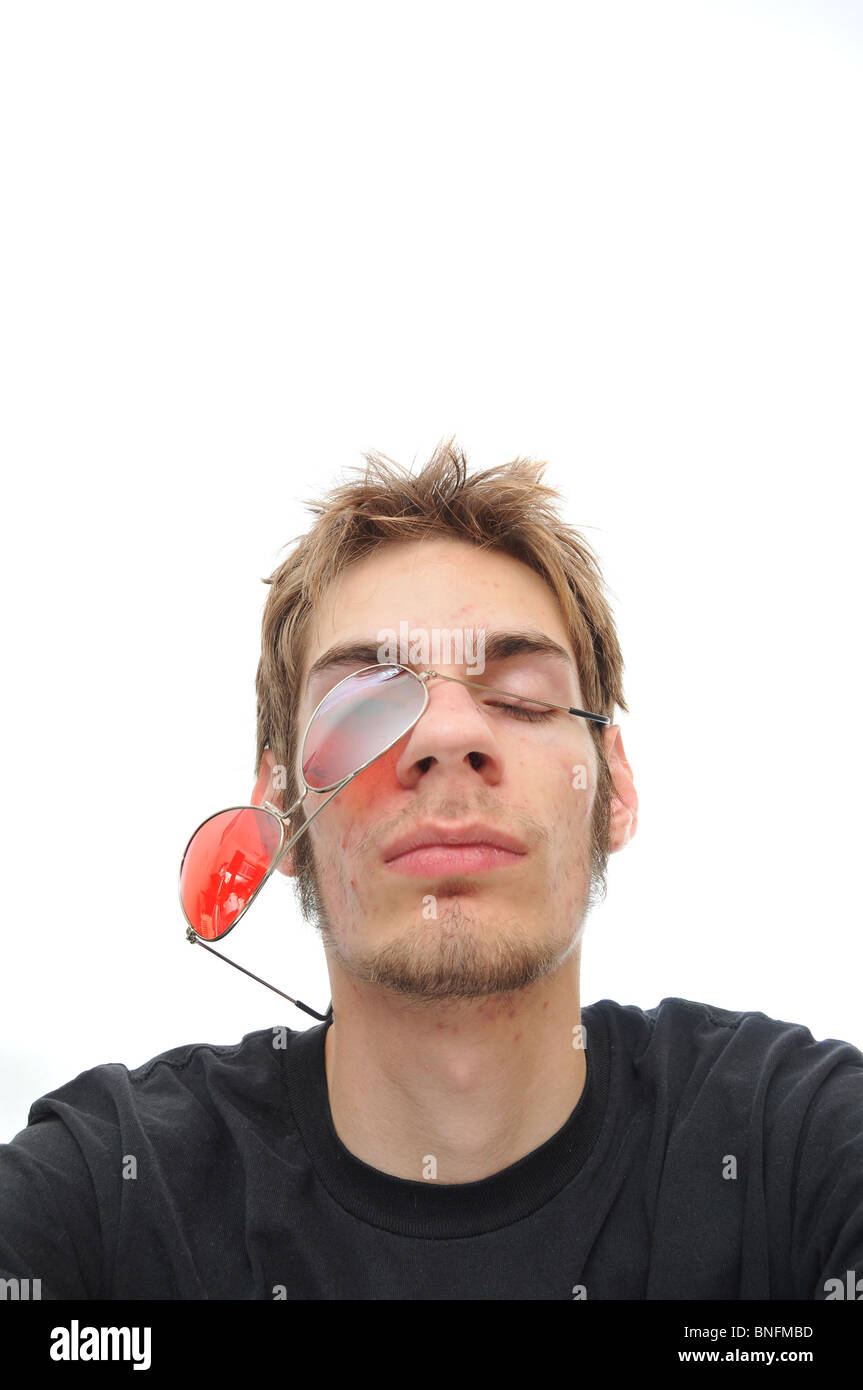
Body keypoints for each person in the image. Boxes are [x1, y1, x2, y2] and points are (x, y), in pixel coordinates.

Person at [1, 439, 861, 1301]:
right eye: (364, 705)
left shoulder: (797, 1146)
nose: (448, 737)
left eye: (521, 697)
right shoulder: (102, 1196)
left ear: (615, 790)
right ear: (280, 820)